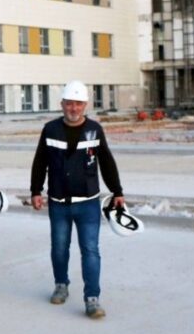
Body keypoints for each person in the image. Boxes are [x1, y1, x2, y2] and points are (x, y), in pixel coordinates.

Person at [30, 80, 125, 319]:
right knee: (59, 248)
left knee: (90, 250)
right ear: (62, 104)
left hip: (88, 203)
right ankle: (61, 285)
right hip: (59, 202)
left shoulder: (94, 129)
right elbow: (40, 161)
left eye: (78, 104)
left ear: (85, 105)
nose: (73, 108)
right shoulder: (50, 129)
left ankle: (92, 298)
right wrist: (35, 191)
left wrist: (117, 191)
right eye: (69, 103)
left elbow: (106, 162)